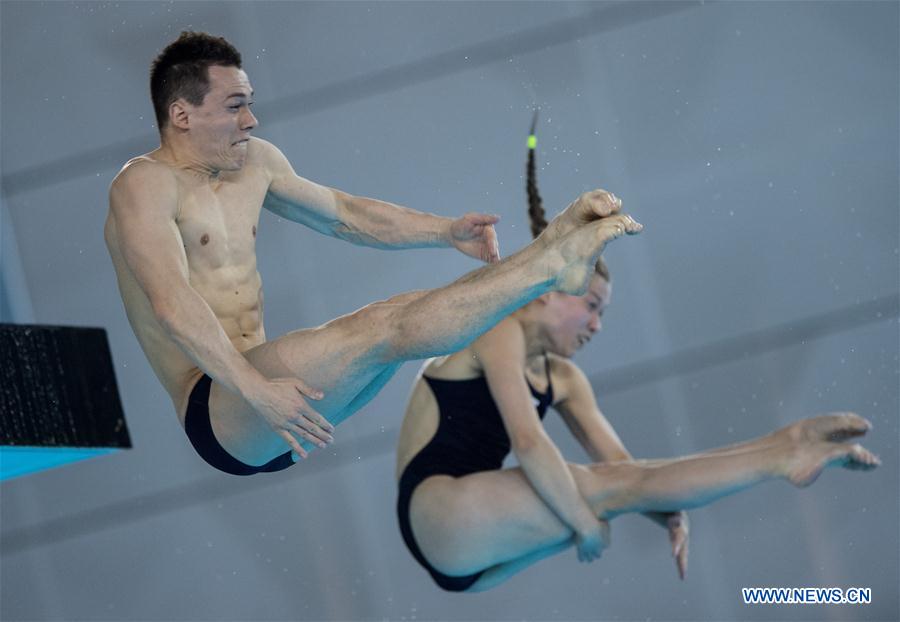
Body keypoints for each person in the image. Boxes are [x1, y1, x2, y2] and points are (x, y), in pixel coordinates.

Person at [104, 32, 642, 476]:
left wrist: (443, 231)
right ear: (182, 115)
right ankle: (551, 265)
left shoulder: (254, 163)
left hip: (272, 395)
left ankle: (550, 260)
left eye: (251, 105)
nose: (252, 121)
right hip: (221, 404)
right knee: (384, 325)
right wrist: (258, 393)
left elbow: (344, 213)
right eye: (235, 106)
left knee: (400, 320)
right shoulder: (145, 185)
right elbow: (171, 305)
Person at [393, 124, 880, 592]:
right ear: (548, 291)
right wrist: (584, 523)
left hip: (478, 550)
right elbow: (528, 442)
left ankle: (784, 449)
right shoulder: (498, 328)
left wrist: (667, 510)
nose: (597, 326)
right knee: (590, 497)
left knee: (615, 486)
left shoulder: (564, 379)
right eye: (590, 305)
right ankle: (783, 450)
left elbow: (625, 468)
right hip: (440, 512)